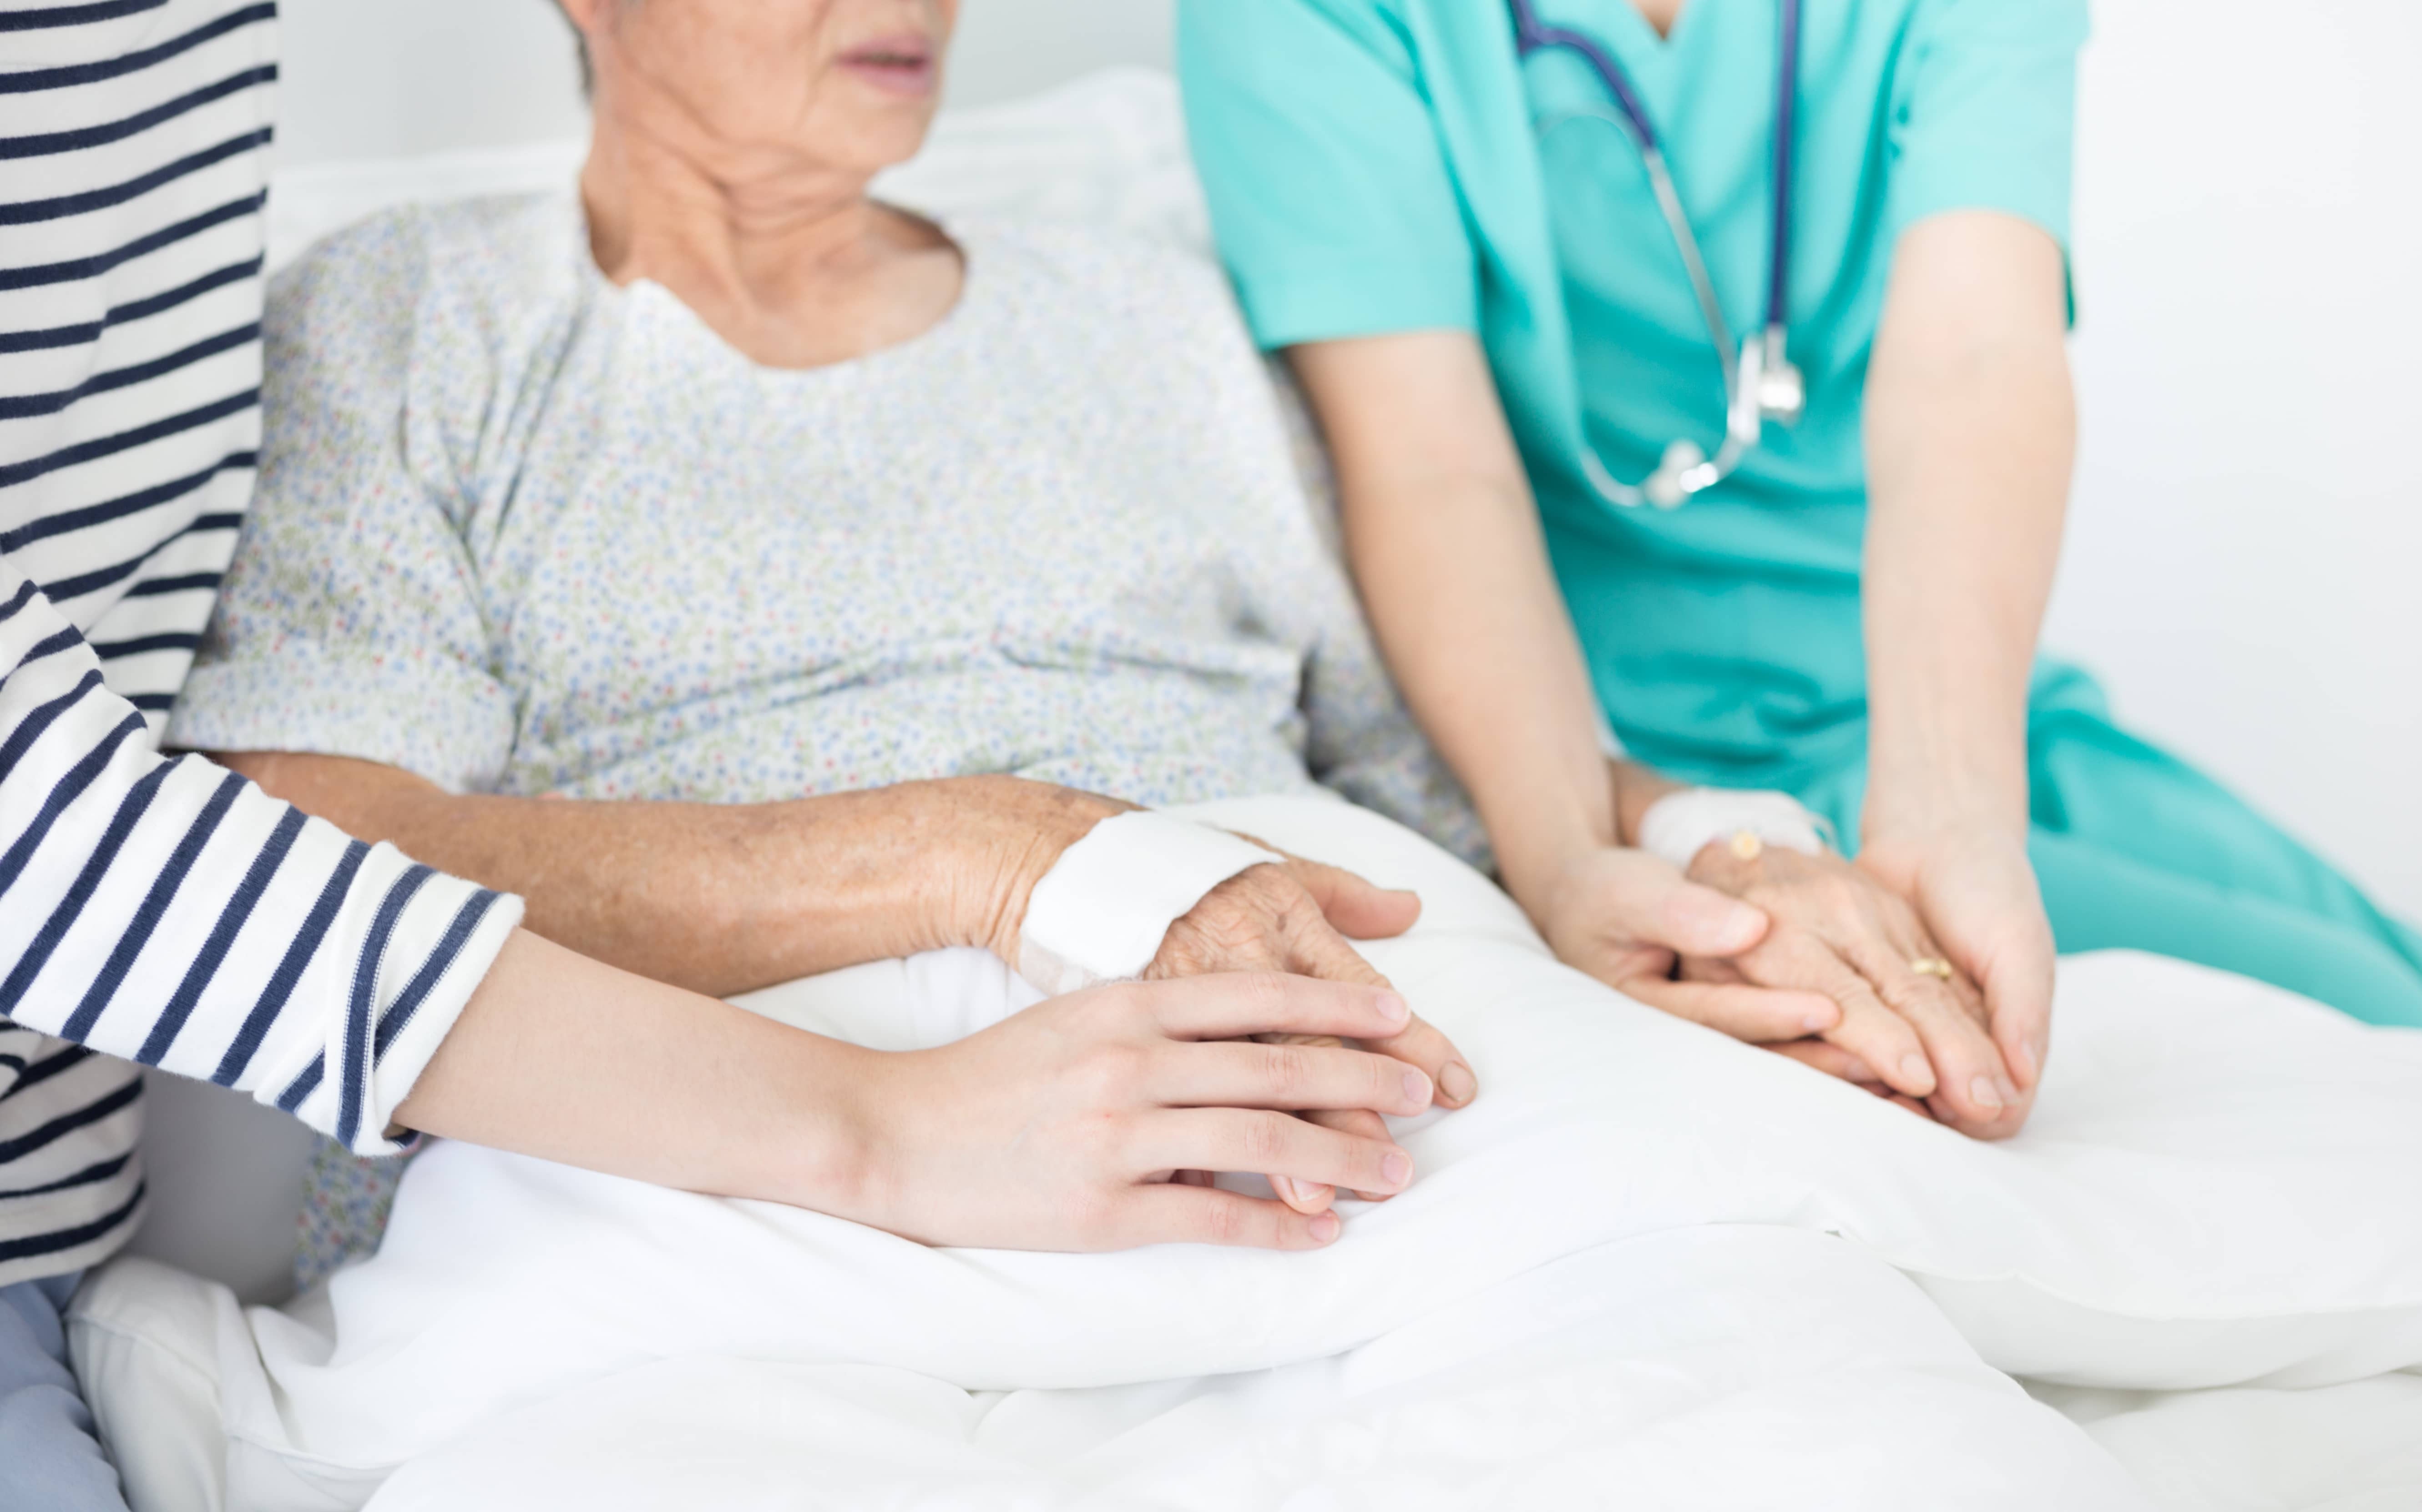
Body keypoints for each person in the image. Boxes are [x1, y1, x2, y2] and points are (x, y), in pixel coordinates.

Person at [0, 5, 1445, 1507]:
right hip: (717, 1170)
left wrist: (1579, 884)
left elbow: (1405, 782)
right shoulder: (417, 313)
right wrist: (989, 855)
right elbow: (321, 838)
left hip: (1328, 1107)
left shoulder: (1148, 315)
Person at [1175, 0, 2422, 1139]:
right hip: (1615, 758)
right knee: (2385, 1073)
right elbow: (1427, 465)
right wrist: (1565, 852)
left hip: (1951, 702)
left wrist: (1951, 812)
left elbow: (1978, 352)